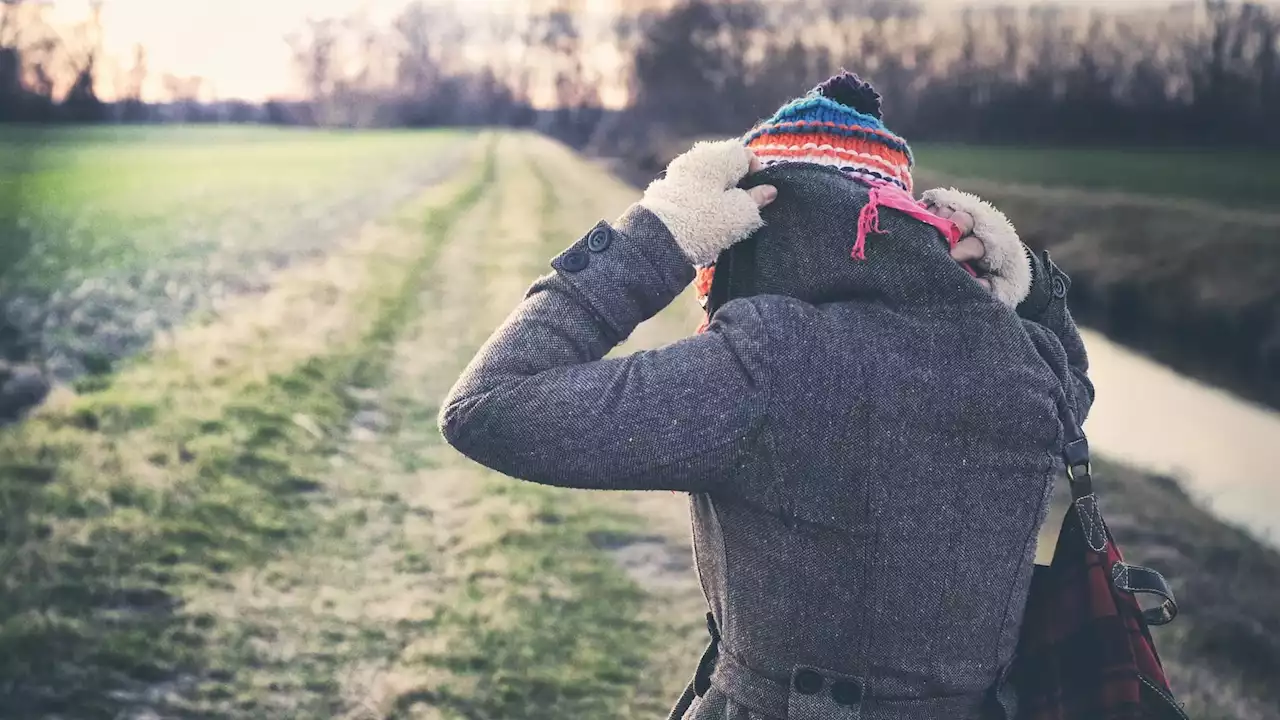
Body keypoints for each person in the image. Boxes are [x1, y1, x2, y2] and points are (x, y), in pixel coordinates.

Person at [438, 73, 1091, 720]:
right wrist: (1032, 284)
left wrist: (656, 236)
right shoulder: (1024, 362)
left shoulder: (764, 364)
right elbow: (1074, 389)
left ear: (753, 229)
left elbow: (490, 406)